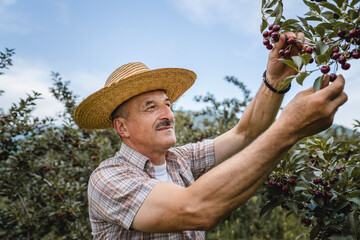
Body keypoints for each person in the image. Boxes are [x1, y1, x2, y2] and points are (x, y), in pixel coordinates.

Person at [74, 32, 347, 239]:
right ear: (122, 128)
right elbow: (195, 209)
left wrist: (276, 80)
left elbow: (246, 132)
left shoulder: (178, 159)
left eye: (167, 104)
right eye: (151, 108)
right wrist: (289, 128)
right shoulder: (107, 179)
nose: (167, 114)